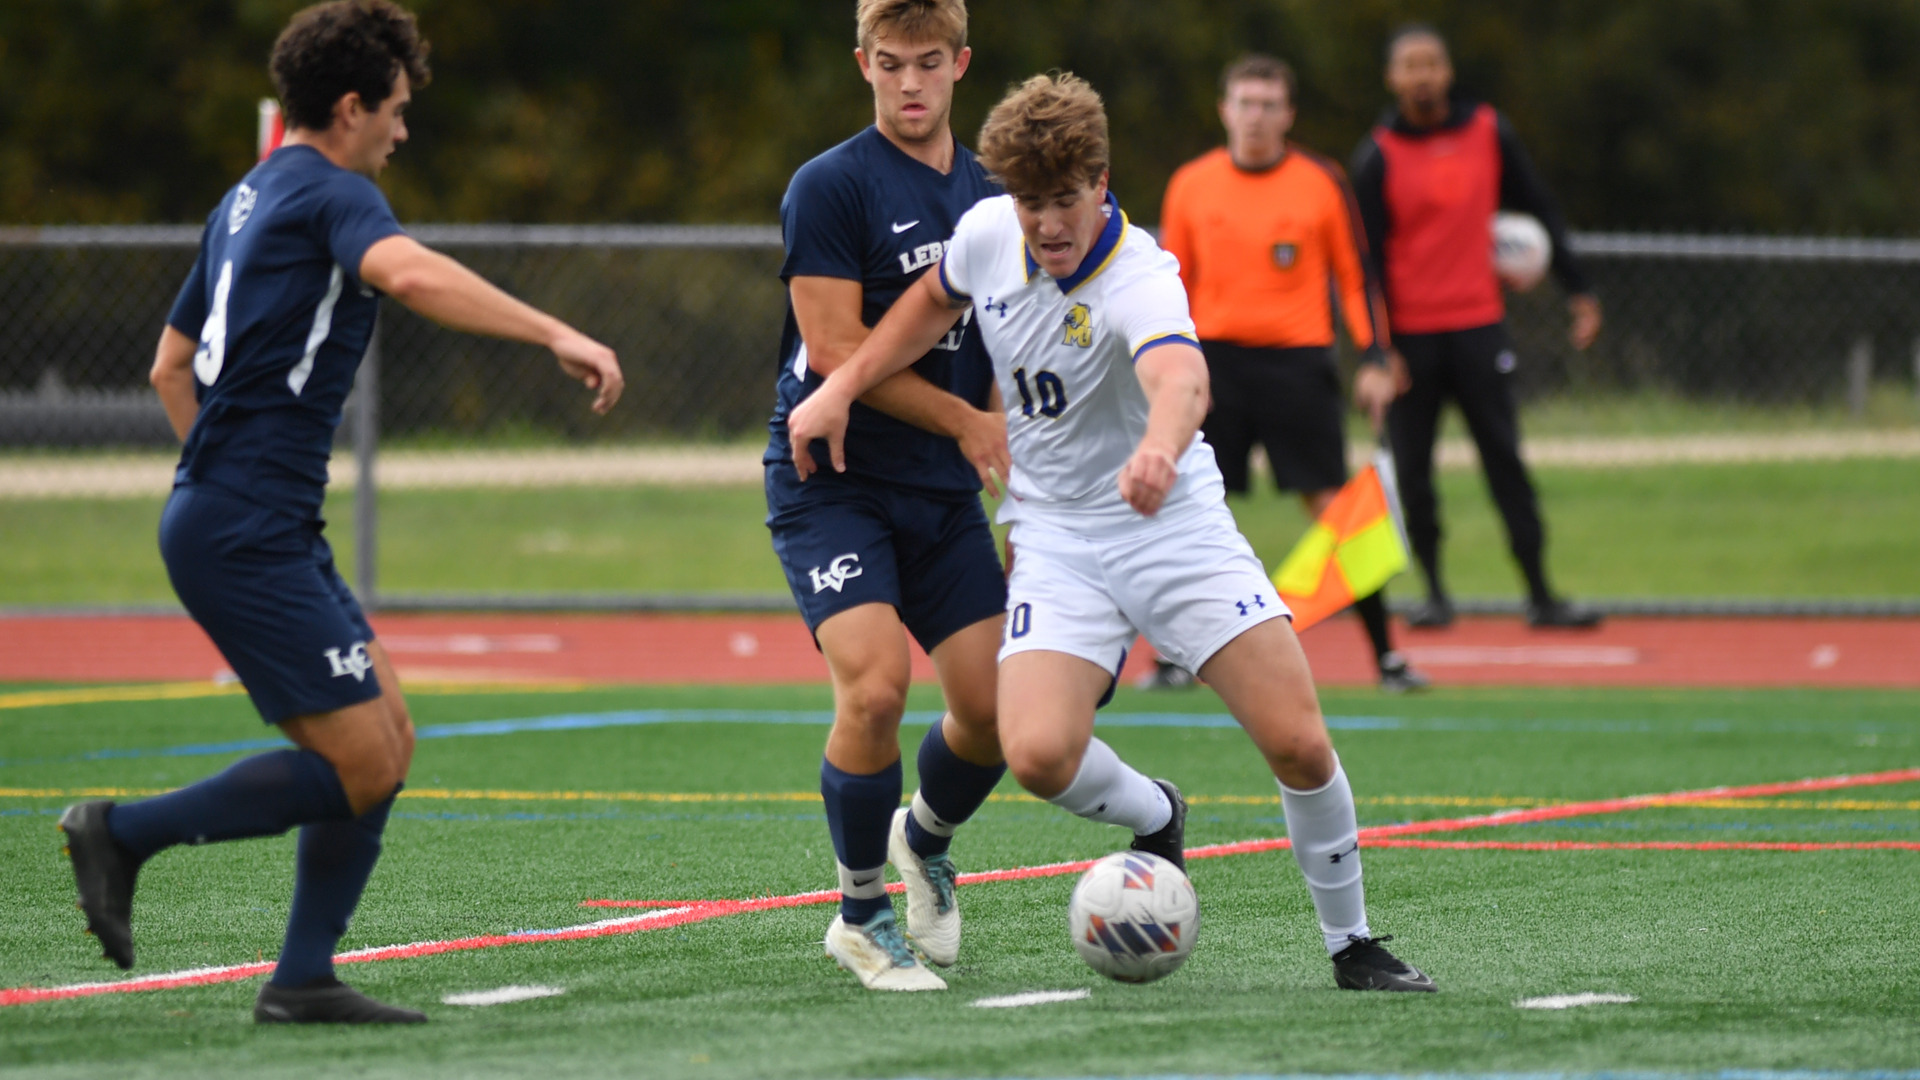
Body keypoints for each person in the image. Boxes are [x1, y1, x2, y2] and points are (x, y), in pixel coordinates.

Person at [789, 72, 1435, 993]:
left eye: (1062, 200)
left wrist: (1161, 452)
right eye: (1027, 203)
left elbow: (1181, 381)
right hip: (1056, 538)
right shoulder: (987, 235)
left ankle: (1352, 944)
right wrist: (842, 388)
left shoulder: (1143, 273)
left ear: (1100, 182)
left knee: (1296, 741)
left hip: (1172, 526)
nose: (1046, 224)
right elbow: (926, 308)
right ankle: (1157, 812)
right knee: (1039, 753)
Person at [57, 0, 624, 1024]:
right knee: (359, 762)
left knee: (388, 743)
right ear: (352, 107)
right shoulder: (328, 188)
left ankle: (303, 978)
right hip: (245, 526)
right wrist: (555, 333)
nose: (404, 131)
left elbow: (167, 366)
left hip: (244, 515)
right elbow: (404, 272)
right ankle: (121, 832)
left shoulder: (248, 193)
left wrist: (227, 478)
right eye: (398, 110)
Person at [762, 0, 1012, 992]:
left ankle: (927, 837)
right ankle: (862, 917)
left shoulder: (997, 197)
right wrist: (965, 423)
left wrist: (1006, 454)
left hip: (944, 491)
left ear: (961, 64)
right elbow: (831, 352)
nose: (911, 84)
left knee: (1001, 717)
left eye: (929, 65)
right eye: (891, 65)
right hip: (835, 482)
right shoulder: (829, 185)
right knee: (873, 687)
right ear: (864, 64)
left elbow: (1006, 340)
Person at [1156, 53, 1428, 693]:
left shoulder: (1321, 181)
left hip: (1298, 368)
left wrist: (1378, 355)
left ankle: (1386, 656)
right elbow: (1167, 285)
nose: (1256, 117)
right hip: (1212, 365)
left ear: (1289, 114)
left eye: (1269, 104)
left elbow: (1355, 276)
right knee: (1186, 509)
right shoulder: (1191, 183)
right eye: (1245, 102)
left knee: (1338, 512)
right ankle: (1175, 656)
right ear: (1225, 109)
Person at [1350, 23, 1603, 629]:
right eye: (1410, 65)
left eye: (1432, 62)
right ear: (1392, 78)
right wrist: (1379, 351)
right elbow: (1366, 267)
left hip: (1478, 328)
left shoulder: (1489, 132)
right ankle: (1434, 594)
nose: (1423, 75)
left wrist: (1579, 288)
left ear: (1448, 71)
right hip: (1413, 340)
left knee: (1505, 460)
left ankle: (1541, 594)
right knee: (1413, 469)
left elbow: (1539, 204)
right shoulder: (1377, 156)